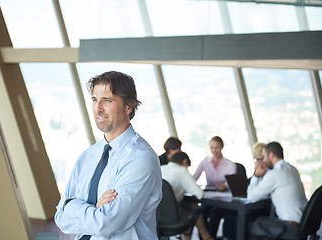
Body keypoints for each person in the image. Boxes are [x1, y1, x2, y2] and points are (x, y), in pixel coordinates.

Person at [54, 71, 162, 240]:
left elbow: (105, 223)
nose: (98, 109)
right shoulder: (87, 157)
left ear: (129, 106)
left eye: (107, 100)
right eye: (95, 100)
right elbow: (60, 218)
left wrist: (71, 205)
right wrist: (94, 210)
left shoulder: (141, 159)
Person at [248, 141, 308, 239]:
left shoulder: (275, 174)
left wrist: (256, 176)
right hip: (304, 225)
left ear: (271, 155)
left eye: (264, 157)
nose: (264, 161)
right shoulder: (293, 169)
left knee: (248, 226)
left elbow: (251, 197)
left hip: (290, 228)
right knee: (261, 219)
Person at [161, 151, 214, 240]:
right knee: (193, 212)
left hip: (156, 215)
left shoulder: (161, 168)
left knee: (191, 206)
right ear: (185, 162)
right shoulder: (182, 171)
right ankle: (206, 237)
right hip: (172, 216)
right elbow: (199, 194)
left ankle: (206, 236)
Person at [193, 136, 236, 238]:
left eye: (216, 147)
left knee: (214, 213)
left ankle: (210, 237)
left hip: (224, 199)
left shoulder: (230, 164)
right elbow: (193, 178)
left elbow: (233, 183)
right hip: (209, 198)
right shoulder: (205, 162)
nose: (214, 151)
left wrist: (224, 186)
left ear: (222, 147)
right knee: (200, 212)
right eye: (212, 148)